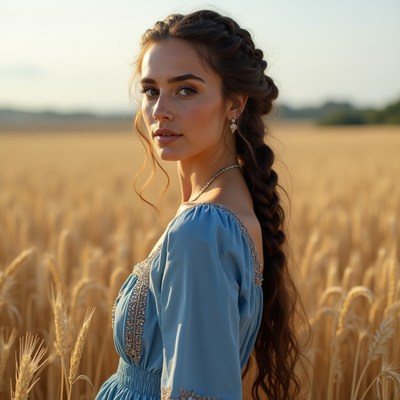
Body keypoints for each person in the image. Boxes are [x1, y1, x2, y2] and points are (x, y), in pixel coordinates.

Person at [96, 9, 303, 400]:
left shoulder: (203, 228)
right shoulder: (222, 206)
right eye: (151, 90)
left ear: (234, 105)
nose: (160, 111)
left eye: (185, 90)